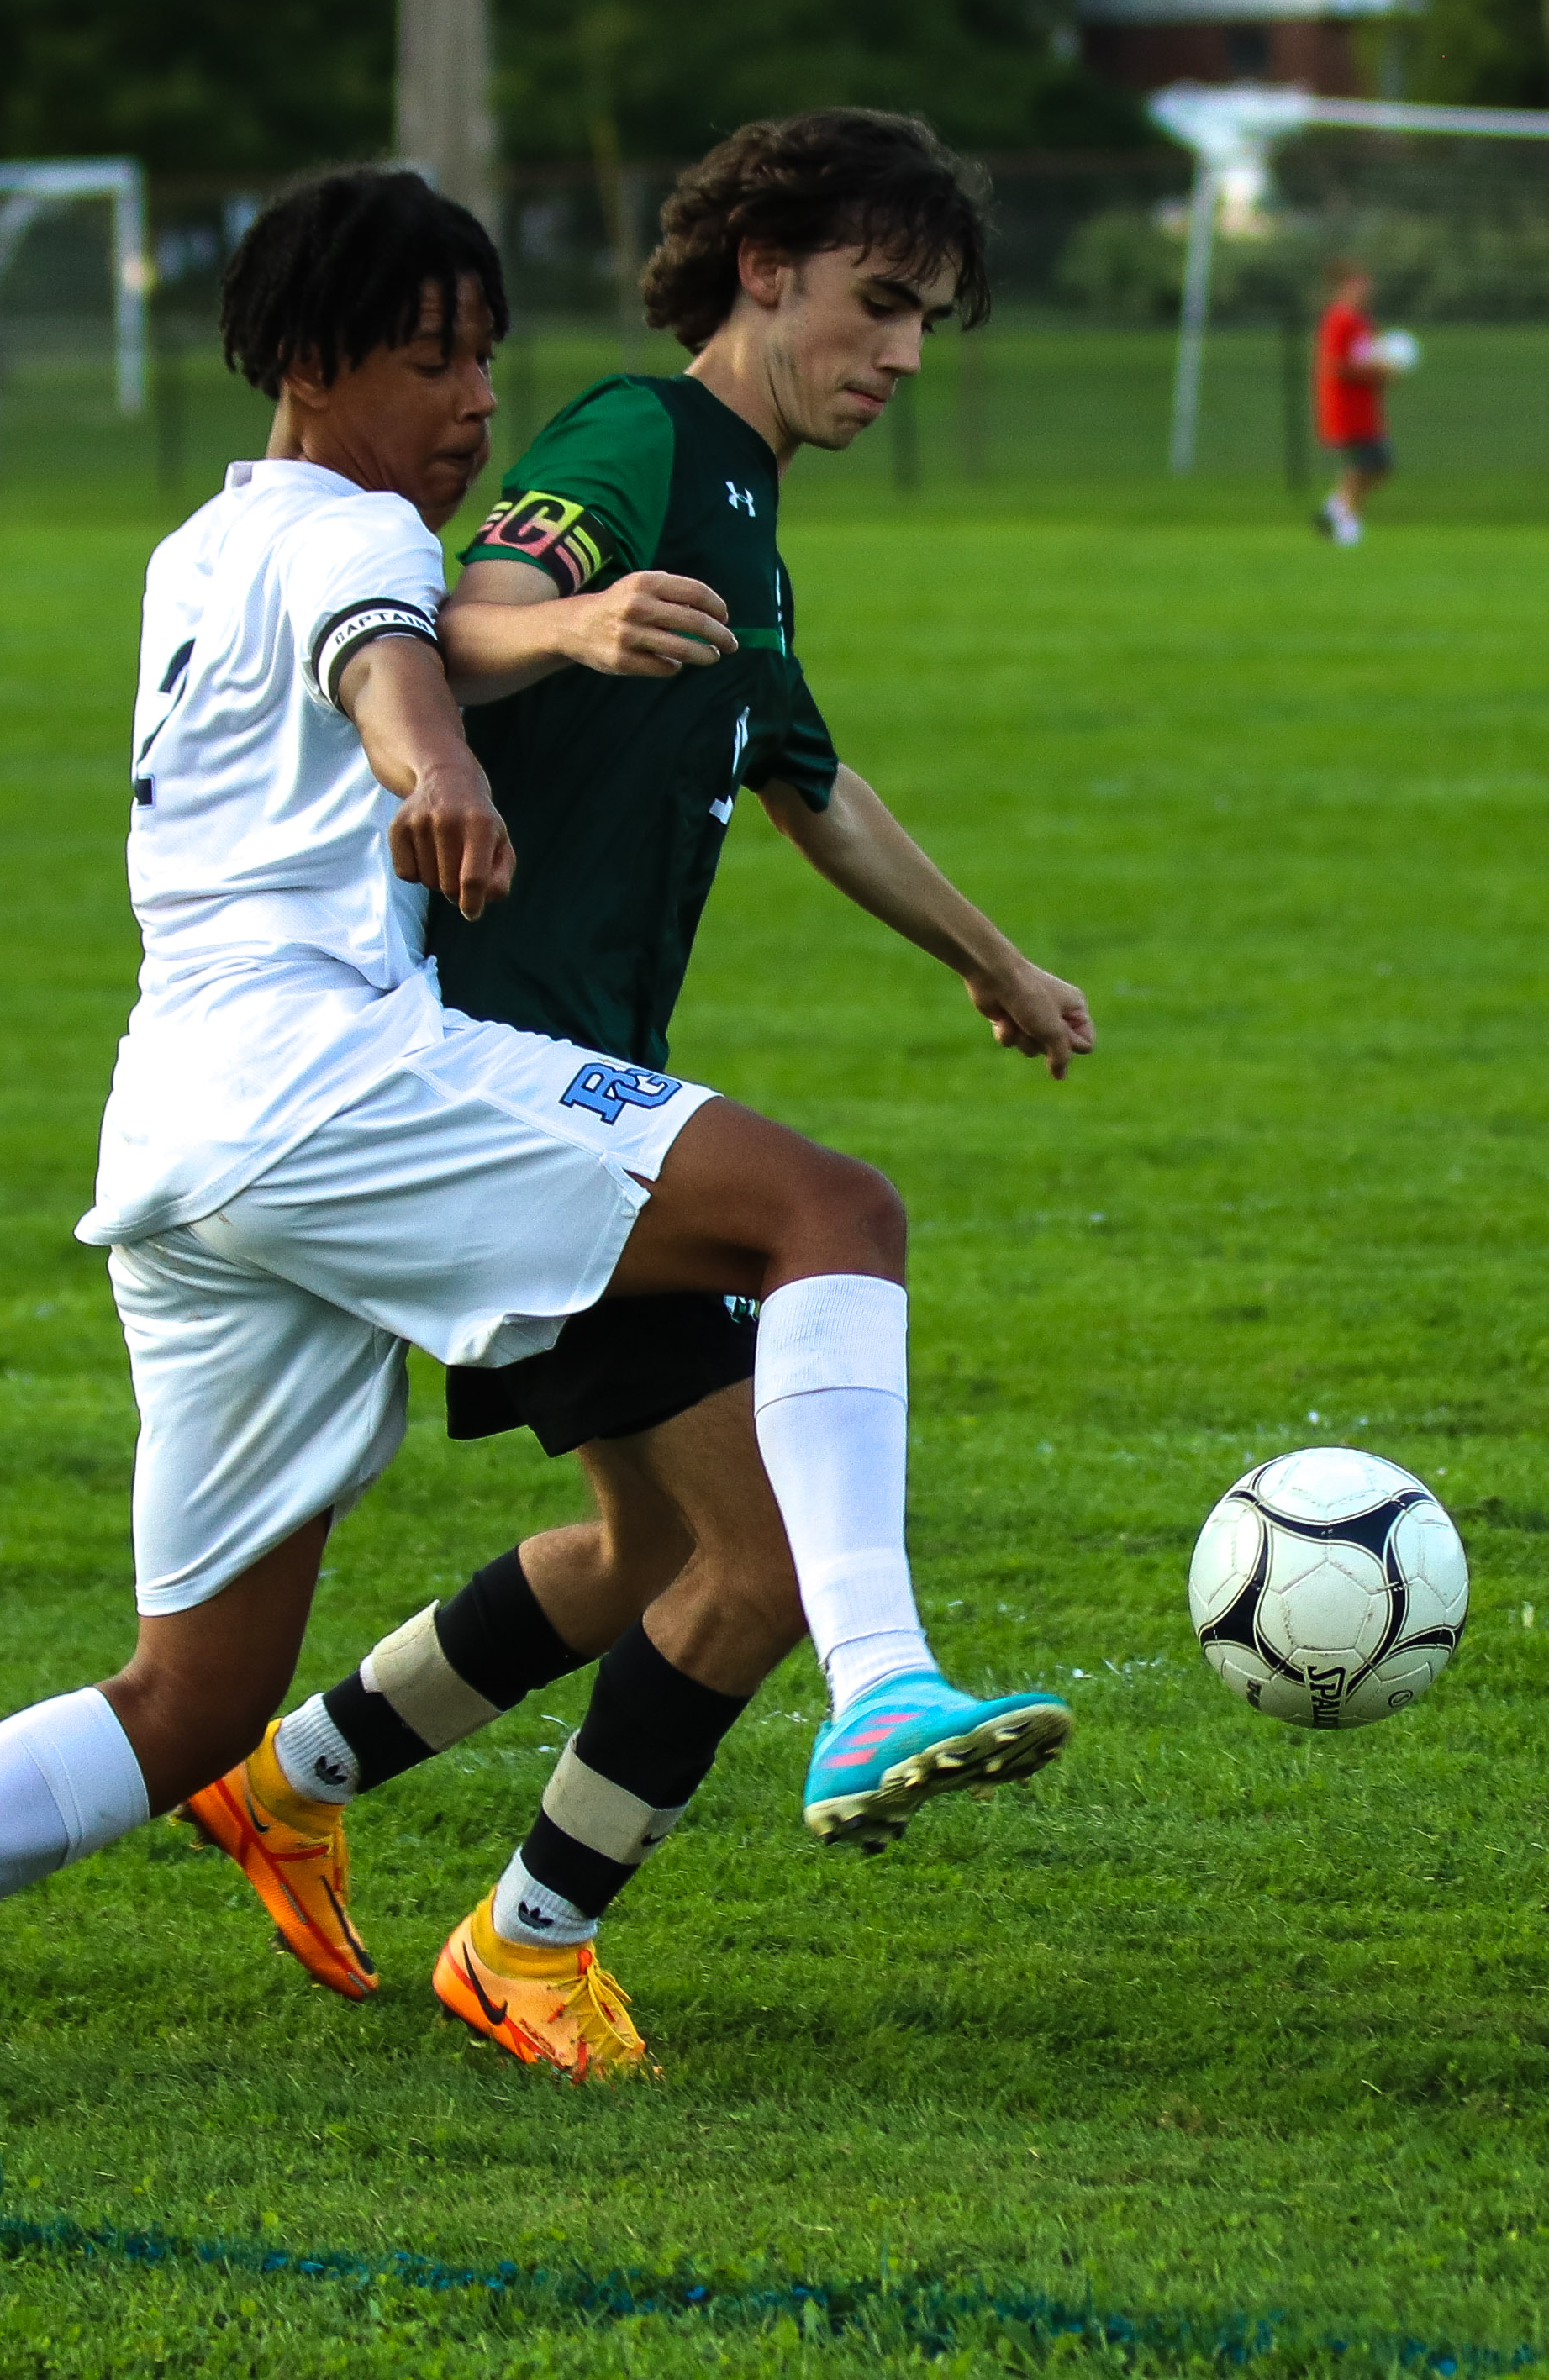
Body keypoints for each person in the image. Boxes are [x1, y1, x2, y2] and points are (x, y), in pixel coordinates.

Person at [0, 165, 1074, 2083]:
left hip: (174, 1142)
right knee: (829, 1208)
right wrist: (456, 751)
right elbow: (399, 651)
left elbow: (445, 656)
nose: (478, 407)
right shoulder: (345, 530)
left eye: (486, 357)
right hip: (340, 1087)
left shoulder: (192, 548)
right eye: (434, 362)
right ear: (313, 368)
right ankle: (874, 1684)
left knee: (188, 1694)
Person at [180, 112, 1093, 2083]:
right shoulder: (634, 443)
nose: (907, 353)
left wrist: (991, 959)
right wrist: (574, 621)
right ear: (760, 267)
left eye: (928, 320)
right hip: (496, 1087)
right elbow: (451, 620)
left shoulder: (744, 509)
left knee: (640, 1554)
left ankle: (292, 1780)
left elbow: (807, 777)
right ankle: (531, 1935)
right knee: (747, 1560)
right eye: (881, 302)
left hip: (566, 1087)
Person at [1315, 263, 1392, 548]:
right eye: (1359, 285)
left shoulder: (1363, 323)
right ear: (1344, 288)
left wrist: (1387, 371)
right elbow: (1334, 366)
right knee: (1369, 463)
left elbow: (1372, 358)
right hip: (1345, 407)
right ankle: (1345, 525)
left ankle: (1333, 511)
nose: (1366, 291)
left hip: (1367, 407)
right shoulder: (1338, 321)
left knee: (1378, 465)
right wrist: (1375, 371)